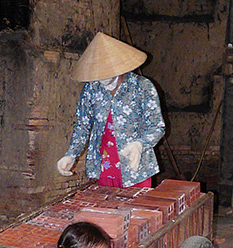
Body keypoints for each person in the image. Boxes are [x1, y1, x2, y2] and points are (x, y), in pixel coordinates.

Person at [56, 31, 165, 190]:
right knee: (107, 211)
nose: (102, 79)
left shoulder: (142, 87)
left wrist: (140, 144)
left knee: (136, 211)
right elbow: (83, 126)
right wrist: (71, 154)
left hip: (136, 168)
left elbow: (157, 126)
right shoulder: (91, 89)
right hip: (103, 166)